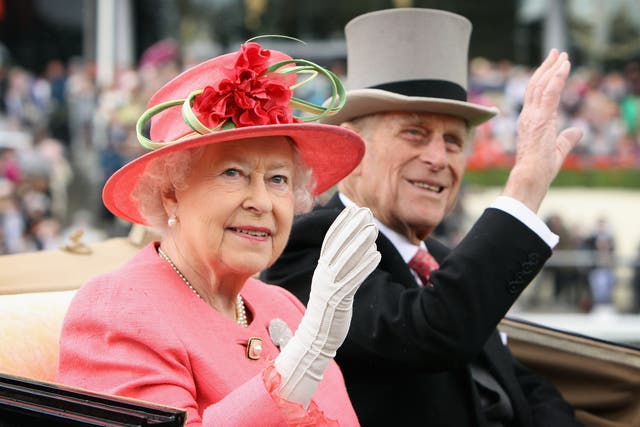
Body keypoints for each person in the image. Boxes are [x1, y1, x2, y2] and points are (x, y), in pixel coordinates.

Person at [261, 8, 584, 427]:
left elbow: (522, 387)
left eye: (453, 141)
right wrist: (524, 189)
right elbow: (428, 332)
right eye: (415, 132)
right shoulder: (314, 245)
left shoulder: (442, 261)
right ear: (355, 150)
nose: (438, 158)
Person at [56, 41, 382, 426]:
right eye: (233, 173)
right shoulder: (116, 308)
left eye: (278, 179)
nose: (261, 202)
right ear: (171, 193)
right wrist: (303, 358)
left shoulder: (284, 307)